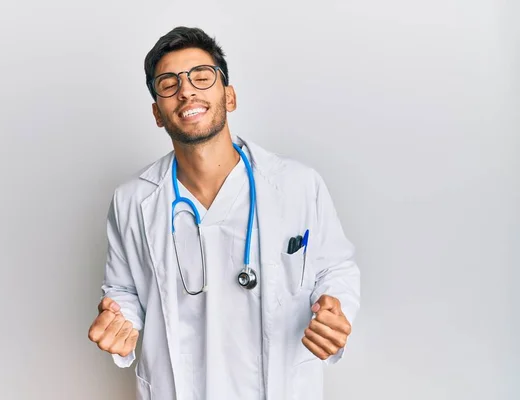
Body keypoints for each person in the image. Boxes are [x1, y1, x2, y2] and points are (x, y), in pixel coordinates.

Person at [88, 26, 361, 400]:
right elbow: (124, 290)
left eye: (201, 77)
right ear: (157, 112)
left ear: (229, 97)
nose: (186, 90)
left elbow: (336, 268)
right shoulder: (131, 201)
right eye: (168, 84)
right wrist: (121, 322)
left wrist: (335, 308)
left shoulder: (298, 184)